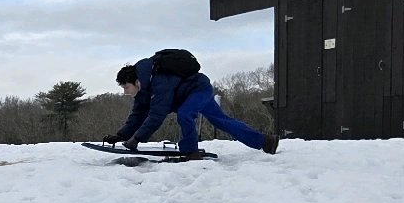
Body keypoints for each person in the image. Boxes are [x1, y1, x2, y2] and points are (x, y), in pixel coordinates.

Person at [109, 52, 279, 158]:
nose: (125, 92)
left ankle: (190, 151)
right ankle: (267, 142)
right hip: (188, 95)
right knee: (222, 121)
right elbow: (138, 114)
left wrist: (137, 139)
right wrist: (121, 135)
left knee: (185, 114)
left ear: (136, 81)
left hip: (199, 89)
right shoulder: (144, 89)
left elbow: (156, 115)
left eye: (126, 87)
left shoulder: (159, 81)